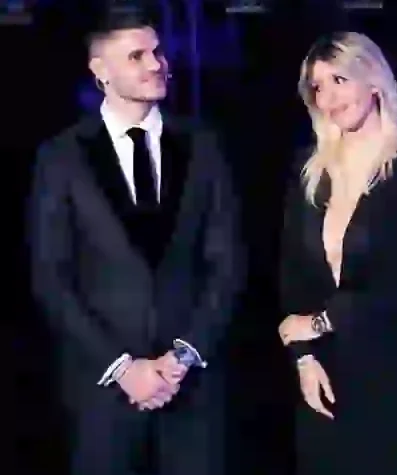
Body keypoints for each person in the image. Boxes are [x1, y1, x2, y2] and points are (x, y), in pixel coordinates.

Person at [27, 5, 243, 475]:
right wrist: (124, 368)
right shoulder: (61, 157)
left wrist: (182, 357)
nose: (156, 64)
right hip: (101, 391)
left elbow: (226, 263)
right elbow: (50, 277)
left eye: (157, 52)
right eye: (137, 56)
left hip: (192, 387)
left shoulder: (204, 146)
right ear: (100, 71)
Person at [278, 32, 397, 475]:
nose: (329, 98)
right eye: (318, 86)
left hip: (391, 372)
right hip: (323, 377)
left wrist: (319, 322)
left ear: (373, 81)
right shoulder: (310, 170)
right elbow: (293, 277)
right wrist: (304, 357)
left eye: (340, 80)